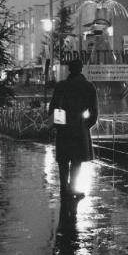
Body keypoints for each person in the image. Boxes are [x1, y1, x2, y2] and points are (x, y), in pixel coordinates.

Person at [48, 59, 98, 201]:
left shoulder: (61, 86)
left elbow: (53, 109)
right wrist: (84, 125)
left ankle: (64, 188)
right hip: (79, 127)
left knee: (63, 160)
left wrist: (58, 125)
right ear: (81, 69)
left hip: (63, 127)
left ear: (70, 69)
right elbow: (94, 114)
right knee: (76, 160)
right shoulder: (88, 87)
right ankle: (73, 187)